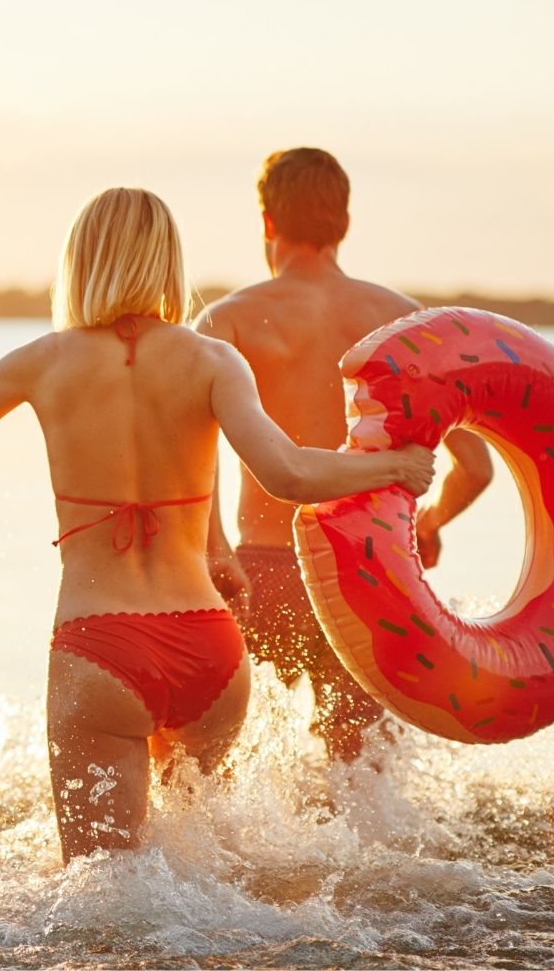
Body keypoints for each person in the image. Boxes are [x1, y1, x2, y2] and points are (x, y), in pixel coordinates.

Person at [0, 188, 433, 861]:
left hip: (102, 648)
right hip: (209, 647)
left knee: (107, 896)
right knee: (203, 879)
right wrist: (396, 469)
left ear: (80, 261)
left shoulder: (41, 361)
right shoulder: (212, 359)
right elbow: (290, 474)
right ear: (167, 263)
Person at [198, 148, 493, 764]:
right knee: (359, 785)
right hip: (367, 576)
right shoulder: (405, 321)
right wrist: (431, 524)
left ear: (268, 222)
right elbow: (478, 467)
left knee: (229, 771)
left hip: (261, 572)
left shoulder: (226, 321)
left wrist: (213, 548)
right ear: (345, 224)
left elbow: (189, 456)